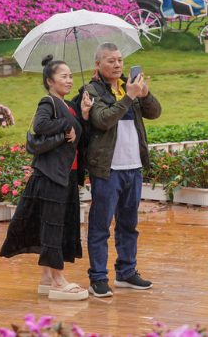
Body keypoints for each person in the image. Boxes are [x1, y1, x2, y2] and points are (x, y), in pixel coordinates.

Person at [0, 55, 94, 301]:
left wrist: (81, 116)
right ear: (50, 81)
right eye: (63, 76)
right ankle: (58, 281)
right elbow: (41, 125)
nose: (69, 80)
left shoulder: (66, 104)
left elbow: (76, 136)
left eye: (71, 75)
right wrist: (66, 127)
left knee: (54, 225)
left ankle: (45, 278)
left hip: (65, 175)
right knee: (53, 227)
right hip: (52, 176)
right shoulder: (48, 101)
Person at [83, 43, 162, 298]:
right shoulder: (91, 90)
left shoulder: (130, 85)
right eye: (110, 61)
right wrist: (128, 97)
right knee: (100, 225)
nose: (117, 65)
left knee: (129, 224)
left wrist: (145, 95)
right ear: (98, 65)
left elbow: (155, 113)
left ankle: (127, 272)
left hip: (133, 167)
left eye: (119, 60)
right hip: (107, 170)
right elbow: (102, 120)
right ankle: (98, 278)